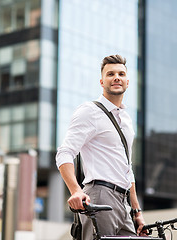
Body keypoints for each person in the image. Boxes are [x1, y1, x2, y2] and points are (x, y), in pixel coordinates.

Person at [56, 54, 145, 238]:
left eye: (121, 74)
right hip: (100, 194)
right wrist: (75, 190)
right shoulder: (90, 111)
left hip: (123, 201)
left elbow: (127, 169)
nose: (116, 77)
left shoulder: (126, 120)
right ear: (101, 81)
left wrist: (136, 211)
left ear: (127, 82)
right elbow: (64, 153)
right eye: (110, 74)